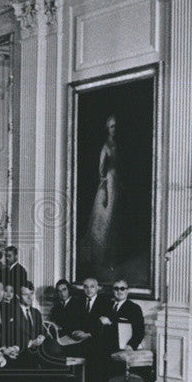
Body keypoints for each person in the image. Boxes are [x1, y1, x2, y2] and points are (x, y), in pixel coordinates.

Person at [78, 113, 120, 273]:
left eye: (115, 126)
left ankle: (111, 258)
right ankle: (100, 257)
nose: (114, 129)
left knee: (114, 220)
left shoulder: (116, 145)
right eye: (111, 127)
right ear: (107, 129)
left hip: (116, 182)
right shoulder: (106, 146)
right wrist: (105, 192)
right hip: (108, 184)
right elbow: (101, 170)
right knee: (104, 220)